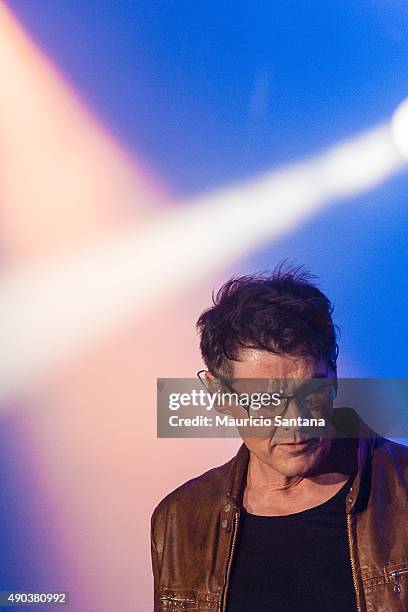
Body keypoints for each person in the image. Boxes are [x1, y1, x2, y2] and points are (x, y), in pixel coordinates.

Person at [151, 265, 408, 611]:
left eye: (310, 392)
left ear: (333, 376)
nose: (296, 422)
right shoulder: (179, 520)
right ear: (218, 393)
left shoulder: (402, 489)